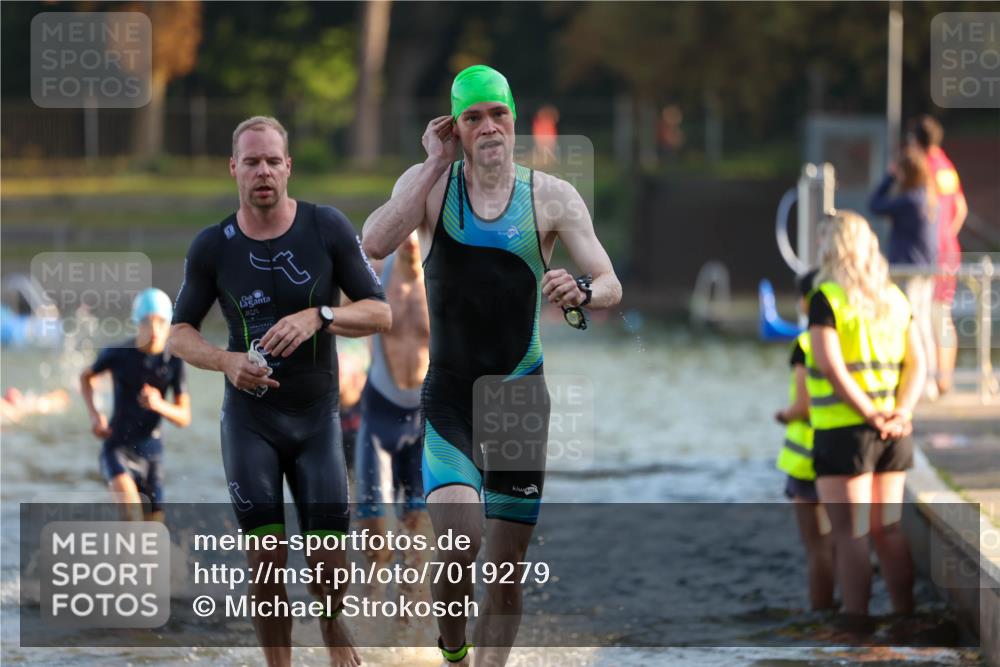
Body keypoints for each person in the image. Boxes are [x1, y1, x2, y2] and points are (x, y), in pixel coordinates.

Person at [362, 65, 622, 667]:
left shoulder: (551, 197)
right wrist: (432, 164)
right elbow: (374, 241)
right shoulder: (431, 187)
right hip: (451, 396)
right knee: (460, 540)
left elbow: (610, 282)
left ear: (514, 119)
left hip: (519, 400)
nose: (488, 127)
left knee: (505, 572)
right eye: (473, 117)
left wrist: (582, 290)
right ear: (454, 127)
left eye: (497, 114)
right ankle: (453, 652)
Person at [169, 116, 391, 667]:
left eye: (272, 161)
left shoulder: (326, 227)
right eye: (252, 162)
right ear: (234, 169)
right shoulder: (212, 246)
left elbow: (380, 312)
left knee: (329, 565)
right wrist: (225, 361)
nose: (263, 171)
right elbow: (178, 333)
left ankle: (333, 621)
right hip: (251, 422)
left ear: (288, 166)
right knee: (266, 562)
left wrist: (321, 316)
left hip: (317, 421)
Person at [807, 211, 926, 617]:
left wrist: (869, 414)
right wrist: (901, 412)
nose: (818, 246)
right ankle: (905, 616)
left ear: (833, 247)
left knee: (850, 534)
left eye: (823, 240)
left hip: (845, 433)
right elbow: (918, 363)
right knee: (888, 529)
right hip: (894, 432)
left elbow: (830, 366)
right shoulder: (894, 298)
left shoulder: (827, 298)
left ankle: (857, 627)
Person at [355, 231, 431, 585]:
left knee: (418, 532)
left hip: (426, 417)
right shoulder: (372, 275)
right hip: (380, 415)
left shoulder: (442, 275)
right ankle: (372, 600)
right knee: (375, 536)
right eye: (404, 234)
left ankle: (412, 610)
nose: (410, 242)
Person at [79, 288, 191, 522]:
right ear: (136, 323)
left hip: (152, 455)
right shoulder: (118, 354)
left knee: (153, 534)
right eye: (147, 322)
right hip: (118, 447)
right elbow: (85, 377)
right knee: (131, 515)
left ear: (169, 324)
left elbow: (184, 417)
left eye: (161, 322)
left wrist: (159, 405)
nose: (154, 330)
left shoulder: (174, 361)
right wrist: (94, 415)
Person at [774, 269, 835, 611]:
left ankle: (822, 616)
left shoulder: (806, 343)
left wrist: (783, 415)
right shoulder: (851, 335)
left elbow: (803, 405)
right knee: (844, 541)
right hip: (845, 452)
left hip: (806, 462)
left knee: (817, 549)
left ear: (805, 301)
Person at [869, 146, 938, 400]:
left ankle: (921, 384)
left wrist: (889, 177)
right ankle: (929, 382)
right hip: (924, 270)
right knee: (923, 324)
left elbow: (875, 204)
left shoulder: (909, 200)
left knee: (912, 325)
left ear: (905, 173)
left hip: (908, 271)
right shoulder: (927, 197)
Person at [907, 115, 967, 396]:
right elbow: (961, 208)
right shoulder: (947, 167)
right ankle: (945, 378)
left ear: (916, 140)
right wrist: (948, 235)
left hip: (930, 253)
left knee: (924, 315)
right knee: (943, 314)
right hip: (950, 250)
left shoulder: (923, 168)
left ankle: (933, 379)